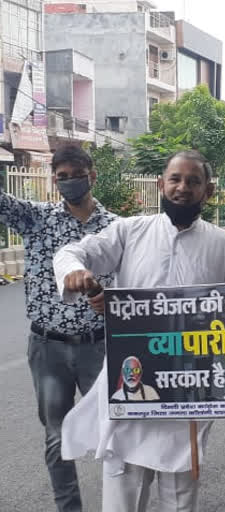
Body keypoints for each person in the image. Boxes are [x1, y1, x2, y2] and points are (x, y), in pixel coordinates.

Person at [54, 150, 225, 512]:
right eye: (175, 179)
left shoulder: (224, 245)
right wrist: (76, 272)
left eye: (193, 181)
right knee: (123, 497)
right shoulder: (130, 231)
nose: (183, 188)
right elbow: (74, 252)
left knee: (179, 499)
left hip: (189, 392)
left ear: (208, 191)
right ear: (161, 185)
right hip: (131, 388)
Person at [0, 145, 116, 512]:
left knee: (119, 432)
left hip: (99, 348)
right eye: (60, 177)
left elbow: (132, 281)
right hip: (48, 347)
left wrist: (110, 298)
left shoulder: (115, 228)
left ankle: (123, 503)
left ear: (92, 175)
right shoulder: (37, 219)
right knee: (56, 437)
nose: (67, 182)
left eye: (74, 175)